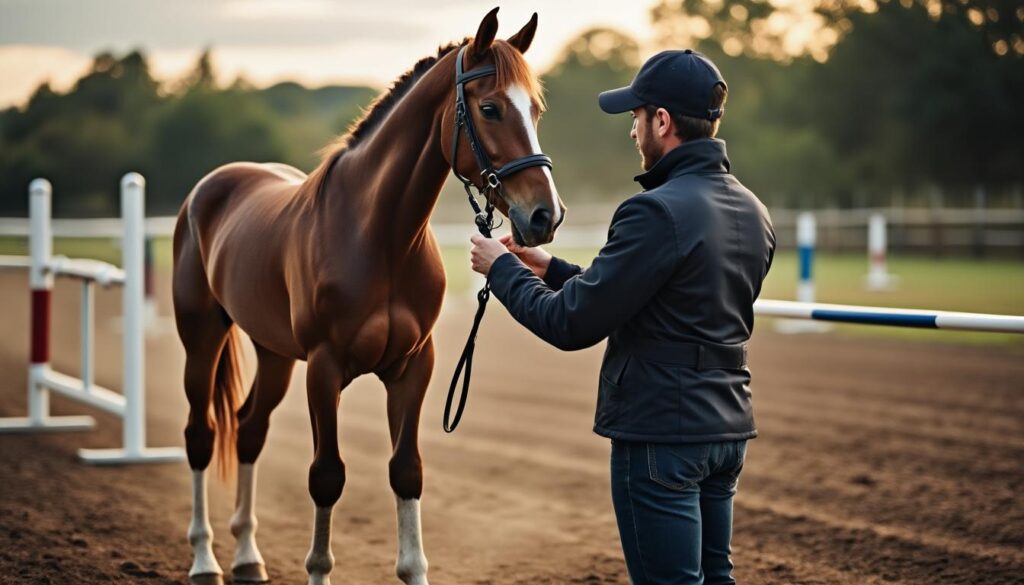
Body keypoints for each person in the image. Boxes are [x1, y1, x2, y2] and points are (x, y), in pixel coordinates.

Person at [469, 49, 776, 584]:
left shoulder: (653, 210)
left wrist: (501, 270)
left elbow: (571, 324)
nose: (633, 133)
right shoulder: (753, 209)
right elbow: (662, 298)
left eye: (636, 119)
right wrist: (551, 267)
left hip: (661, 434)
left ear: (662, 121)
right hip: (725, 430)